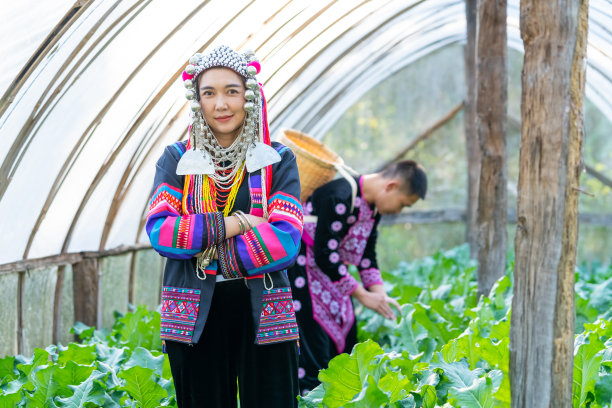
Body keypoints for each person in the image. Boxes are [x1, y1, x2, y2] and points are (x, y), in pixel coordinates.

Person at [145, 45, 303, 408]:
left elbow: (285, 240)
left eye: (232, 91)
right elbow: (162, 233)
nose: (221, 104)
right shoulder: (176, 159)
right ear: (196, 100)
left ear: (250, 97)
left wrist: (204, 246)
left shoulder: (277, 160)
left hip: (263, 310)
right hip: (195, 317)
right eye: (208, 93)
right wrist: (239, 223)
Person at [288, 160, 427, 395]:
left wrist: (379, 295)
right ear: (391, 186)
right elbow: (325, 254)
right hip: (306, 281)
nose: (399, 211)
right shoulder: (340, 195)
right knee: (315, 356)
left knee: (346, 345)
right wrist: (362, 295)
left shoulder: (374, 208)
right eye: (403, 204)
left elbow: (366, 255)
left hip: (334, 283)